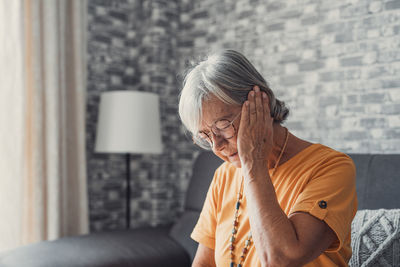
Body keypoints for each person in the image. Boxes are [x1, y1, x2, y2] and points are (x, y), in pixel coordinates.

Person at [178, 49, 357, 267]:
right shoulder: (223, 176)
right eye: (205, 135)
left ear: (260, 103)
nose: (217, 146)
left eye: (223, 126)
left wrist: (254, 164)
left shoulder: (332, 167)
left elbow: (280, 259)